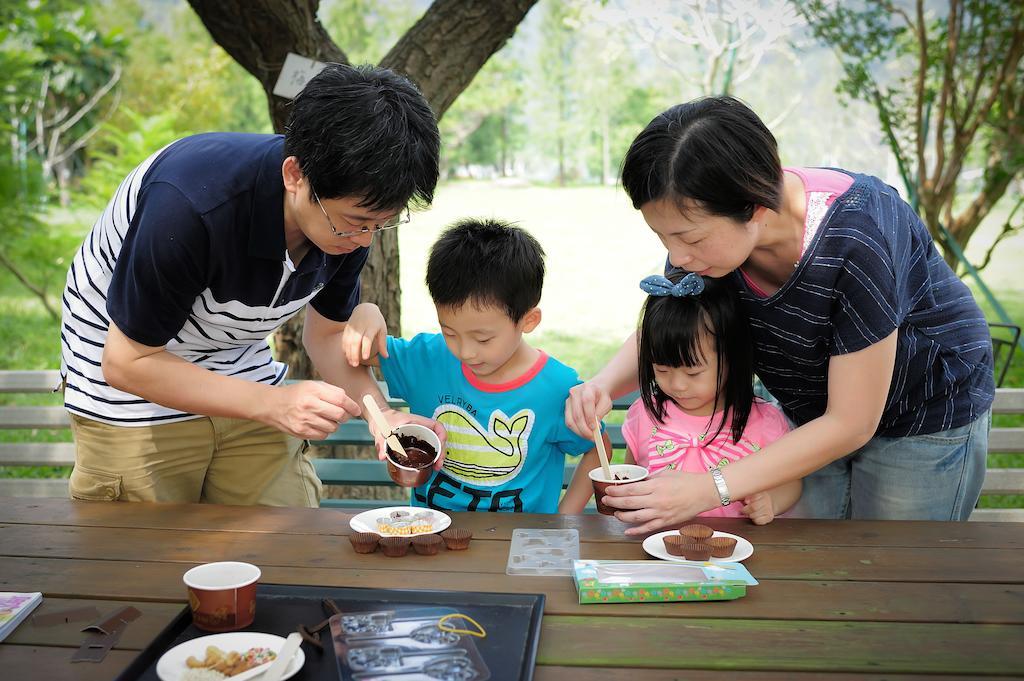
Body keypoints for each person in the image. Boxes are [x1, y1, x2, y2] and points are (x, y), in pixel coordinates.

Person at [565, 96, 994, 532]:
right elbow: (679, 317)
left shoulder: (859, 237)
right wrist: (603, 384)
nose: (676, 256)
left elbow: (851, 422)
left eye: (688, 237)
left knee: (894, 569)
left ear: (754, 206)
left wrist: (708, 487)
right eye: (662, 236)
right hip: (808, 415)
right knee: (813, 569)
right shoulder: (706, 249)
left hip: (923, 412)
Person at [60, 63, 444, 507]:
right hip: (131, 381)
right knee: (148, 558)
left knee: (290, 541)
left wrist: (383, 418)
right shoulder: (189, 207)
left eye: (382, 223)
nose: (364, 241)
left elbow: (327, 337)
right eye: (357, 223)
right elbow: (127, 362)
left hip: (239, 368)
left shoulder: (349, 216)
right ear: (295, 175)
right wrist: (273, 404)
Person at [343, 218, 607, 513]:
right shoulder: (428, 358)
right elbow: (353, 352)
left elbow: (597, 446)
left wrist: (562, 518)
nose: (465, 352)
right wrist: (366, 312)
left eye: (483, 338)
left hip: (515, 547)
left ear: (528, 321)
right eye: (450, 332)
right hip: (430, 536)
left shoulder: (555, 387)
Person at [613, 271, 800, 524]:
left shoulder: (765, 421)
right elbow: (634, 474)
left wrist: (771, 502)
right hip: (659, 549)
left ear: (732, 358)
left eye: (693, 372)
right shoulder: (644, 414)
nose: (678, 384)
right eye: (662, 370)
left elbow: (791, 482)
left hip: (734, 553)